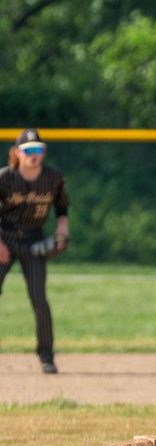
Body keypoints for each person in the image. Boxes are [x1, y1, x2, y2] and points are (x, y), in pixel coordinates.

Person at [0, 128, 70, 374]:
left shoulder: (53, 178)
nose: (33, 155)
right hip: (4, 237)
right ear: (17, 153)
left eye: (38, 150)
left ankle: (47, 356)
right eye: (28, 150)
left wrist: (62, 230)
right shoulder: (4, 179)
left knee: (39, 300)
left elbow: (62, 207)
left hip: (33, 240)